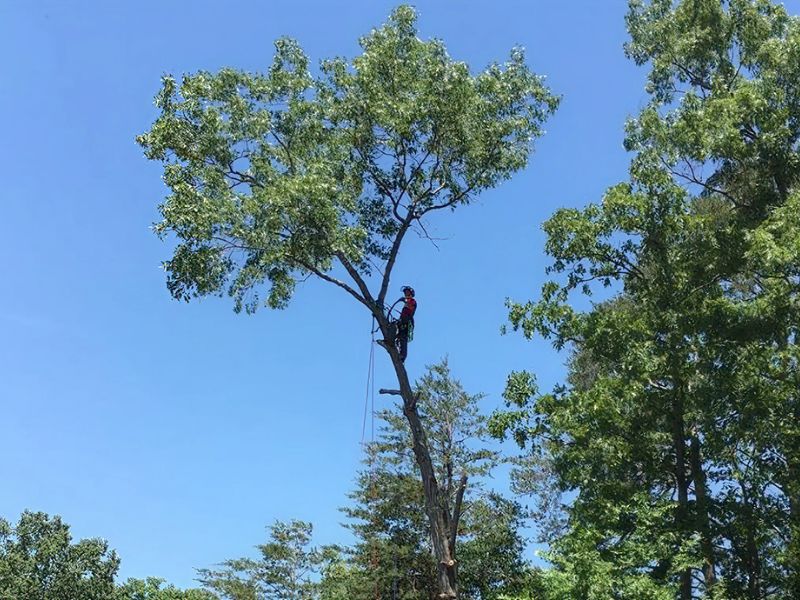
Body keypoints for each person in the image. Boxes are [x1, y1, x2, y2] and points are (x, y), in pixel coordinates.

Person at [396, 286, 416, 362]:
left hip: (407, 321)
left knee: (403, 338)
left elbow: (410, 309)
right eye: (405, 293)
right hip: (403, 321)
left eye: (407, 292)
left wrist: (405, 301)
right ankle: (398, 350)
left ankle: (402, 356)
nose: (406, 294)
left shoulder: (412, 301)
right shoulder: (407, 303)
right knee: (399, 336)